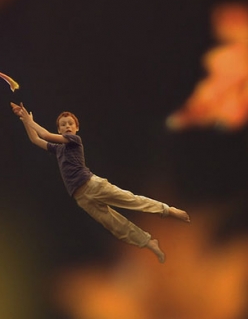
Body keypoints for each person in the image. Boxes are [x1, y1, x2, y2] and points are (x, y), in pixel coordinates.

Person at [11, 102, 190, 263]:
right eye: (63, 125)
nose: (67, 126)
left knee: (131, 200)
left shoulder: (74, 141)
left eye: (70, 124)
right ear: (59, 129)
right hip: (81, 198)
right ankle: (149, 242)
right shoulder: (58, 150)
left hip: (93, 186)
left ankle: (168, 210)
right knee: (116, 226)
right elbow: (35, 139)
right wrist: (25, 120)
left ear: (76, 128)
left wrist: (29, 119)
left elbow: (44, 134)